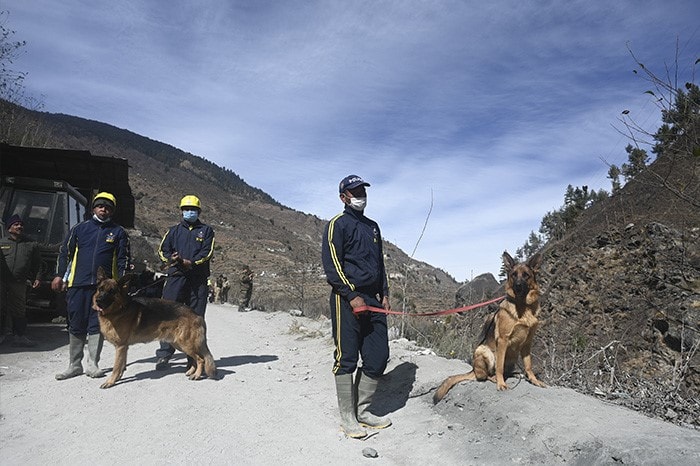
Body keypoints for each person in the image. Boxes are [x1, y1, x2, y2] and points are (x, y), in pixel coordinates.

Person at [321, 174, 392, 439]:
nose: (360, 194)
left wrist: (384, 292)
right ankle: (348, 417)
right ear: (344, 197)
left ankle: (363, 411)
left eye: (362, 190)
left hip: (373, 300)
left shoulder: (373, 227)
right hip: (346, 299)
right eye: (355, 191)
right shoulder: (336, 225)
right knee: (347, 357)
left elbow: (379, 264)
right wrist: (351, 295)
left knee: (378, 356)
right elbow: (332, 265)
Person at [52, 192, 131, 380]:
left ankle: (93, 364)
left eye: (108, 207)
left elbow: (123, 260)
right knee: (76, 322)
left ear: (112, 211)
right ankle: (74, 365)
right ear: (94, 208)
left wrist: (121, 285)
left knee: (97, 324)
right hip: (78, 283)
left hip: (105, 290)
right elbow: (65, 254)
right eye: (100, 206)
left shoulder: (119, 232)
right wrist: (58, 275)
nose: (104, 209)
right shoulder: (79, 229)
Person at [154, 195, 214, 370]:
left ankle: (194, 357)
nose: (190, 212)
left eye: (193, 210)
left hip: (198, 280)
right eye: (186, 209)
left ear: (198, 212)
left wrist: (192, 263)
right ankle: (164, 354)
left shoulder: (207, 231)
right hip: (176, 278)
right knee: (167, 316)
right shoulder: (173, 231)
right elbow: (162, 250)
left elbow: (207, 252)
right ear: (181, 211)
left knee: (195, 319)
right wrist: (172, 259)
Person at [0, 215, 42, 347]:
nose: (19, 227)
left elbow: (37, 263)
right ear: (9, 228)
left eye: (21, 224)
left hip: (19, 282)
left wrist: (37, 277)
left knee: (19, 309)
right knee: (1, 308)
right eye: (16, 224)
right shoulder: (2, 243)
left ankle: (19, 336)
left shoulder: (31, 244)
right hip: (1, 281)